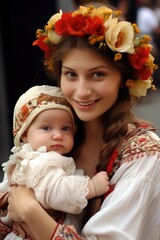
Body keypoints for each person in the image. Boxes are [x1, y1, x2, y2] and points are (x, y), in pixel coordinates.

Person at [7, 4, 160, 240]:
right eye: (71, 74)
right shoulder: (58, 135)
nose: (81, 91)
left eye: (97, 74)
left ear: (124, 79)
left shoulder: (145, 155)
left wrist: (29, 211)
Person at [0, 85, 109, 239]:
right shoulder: (45, 160)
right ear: (24, 133)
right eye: (46, 128)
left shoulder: (19, 160)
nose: (57, 135)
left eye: (65, 128)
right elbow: (57, 191)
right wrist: (91, 187)